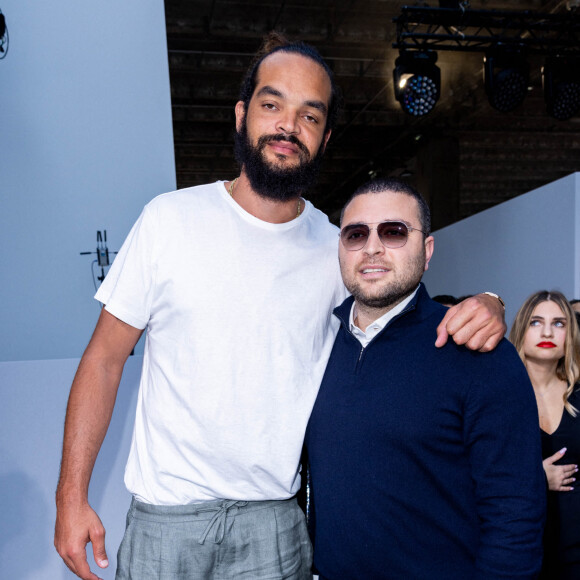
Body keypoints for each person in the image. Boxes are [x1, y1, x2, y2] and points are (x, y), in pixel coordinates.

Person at [54, 34, 507, 580]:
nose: (288, 126)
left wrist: (489, 302)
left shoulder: (338, 247)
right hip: (165, 524)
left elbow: (401, 319)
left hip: (275, 526)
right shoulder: (168, 220)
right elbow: (104, 360)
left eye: (309, 116)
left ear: (325, 136)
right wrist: (70, 496)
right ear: (243, 114)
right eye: (272, 105)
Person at [305, 178, 546, 579]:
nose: (372, 247)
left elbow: (515, 512)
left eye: (394, 231)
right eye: (356, 234)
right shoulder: (318, 345)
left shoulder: (478, 351)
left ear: (427, 250)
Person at [509, 291, 580, 579]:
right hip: (519, 546)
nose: (548, 331)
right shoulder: (498, 397)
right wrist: (535, 478)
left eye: (560, 324)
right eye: (536, 322)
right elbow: (465, 472)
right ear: (522, 330)